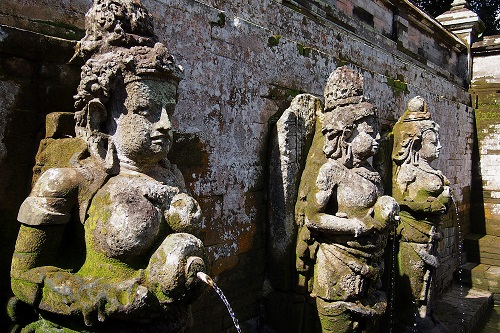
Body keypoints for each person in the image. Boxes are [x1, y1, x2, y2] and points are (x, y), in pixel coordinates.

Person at [10, 1, 207, 332]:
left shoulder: (172, 176)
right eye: (145, 110)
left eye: (169, 110)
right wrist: (100, 296)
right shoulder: (67, 182)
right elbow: (23, 277)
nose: (165, 124)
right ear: (102, 115)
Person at [295, 66, 399, 333]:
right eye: (370, 131)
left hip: (371, 261)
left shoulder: (371, 173)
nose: (377, 137)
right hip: (337, 264)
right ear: (347, 134)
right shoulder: (332, 171)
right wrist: (358, 227)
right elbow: (313, 218)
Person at [392, 96, 451, 328]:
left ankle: (425, 311)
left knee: (428, 280)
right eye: (433, 142)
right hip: (412, 234)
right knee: (414, 281)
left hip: (430, 234)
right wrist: (432, 204)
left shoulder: (431, 171)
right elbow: (400, 199)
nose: (439, 147)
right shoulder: (408, 171)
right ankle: (411, 318)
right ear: (417, 144)